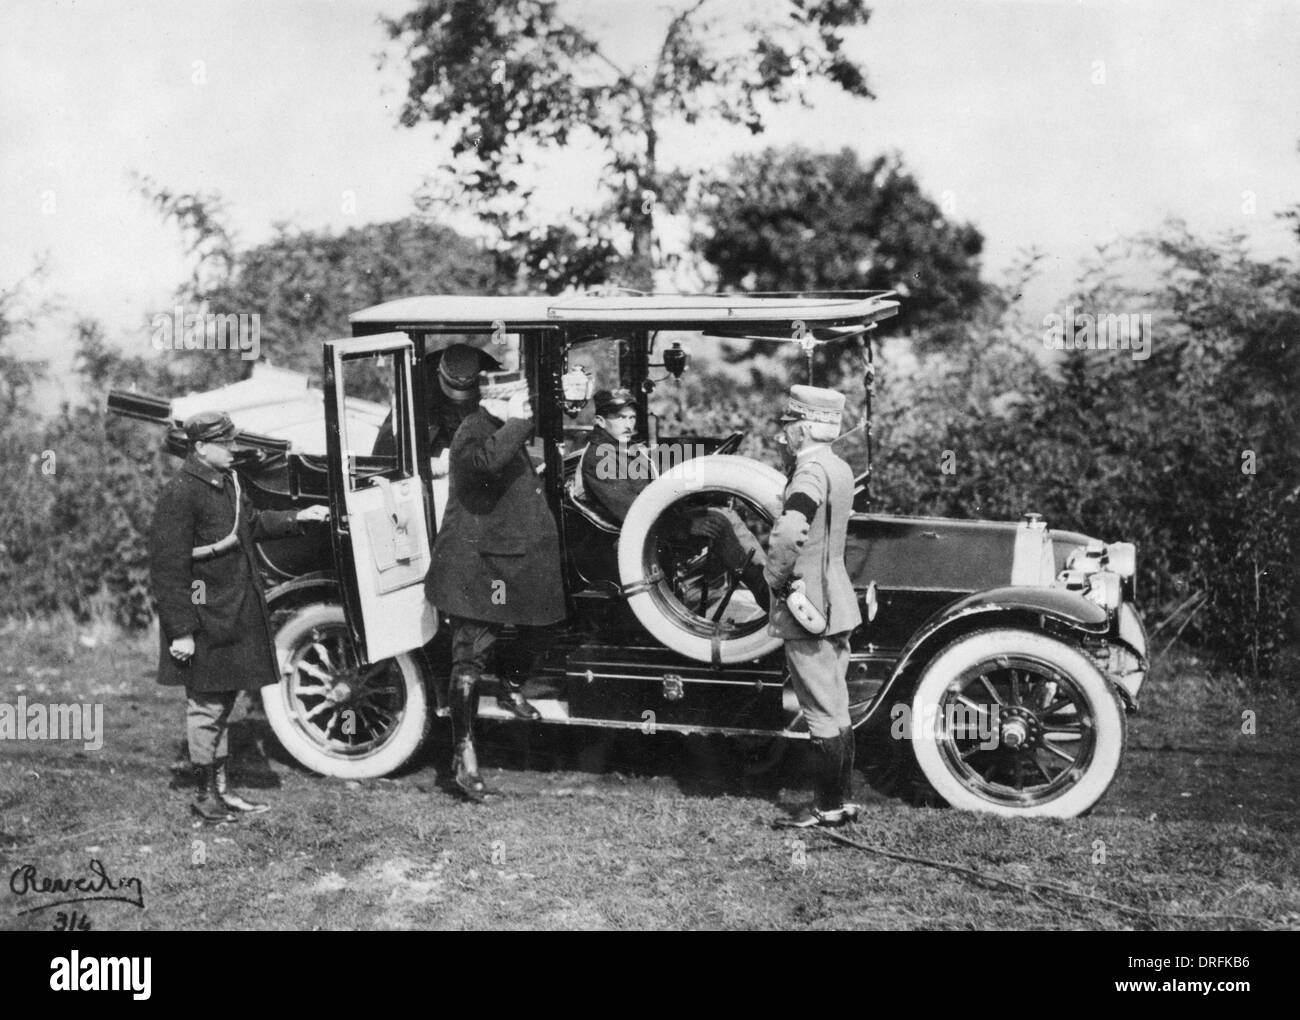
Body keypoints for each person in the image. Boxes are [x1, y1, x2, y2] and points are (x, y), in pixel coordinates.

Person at [150, 411, 329, 822]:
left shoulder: (227, 481)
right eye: (225, 443)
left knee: (225, 702)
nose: (233, 449)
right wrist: (181, 631)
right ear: (199, 448)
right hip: (202, 616)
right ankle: (203, 793)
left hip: (234, 608)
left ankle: (221, 790)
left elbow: (248, 524)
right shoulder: (181, 492)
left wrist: (298, 517)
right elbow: (167, 568)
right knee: (206, 706)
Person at [424, 370, 565, 801]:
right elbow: (484, 464)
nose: (527, 408)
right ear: (500, 400)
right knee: (469, 657)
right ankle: (463, 757)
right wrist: (520, 423)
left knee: (541, 626)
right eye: (521, 400)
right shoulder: (474, 431)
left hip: (512, 560)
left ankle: (510, 686)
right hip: (479, 567)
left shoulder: (498, 429)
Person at [764, 385, 864, 829]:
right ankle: (841, 801)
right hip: (836, 599)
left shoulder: (808, 473)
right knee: (838, 706)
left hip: (808, 605)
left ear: (803, 427)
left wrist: (772, 577)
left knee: (821, 712)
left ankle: (828, 809)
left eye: (787, 426)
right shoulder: (839, 467)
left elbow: (790, 532)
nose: (781, 436)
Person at [576, 388, 656, 522]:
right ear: (600, 421)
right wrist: (685, 527)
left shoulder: (625, 447)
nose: (628, 425)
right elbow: (632, 511)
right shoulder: (600, 457)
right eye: (620, 418)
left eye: (632, 418)